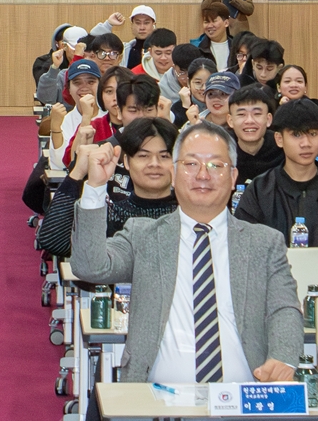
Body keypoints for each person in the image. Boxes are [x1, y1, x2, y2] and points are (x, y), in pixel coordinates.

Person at [69, 119, 301, 385]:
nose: (203, 175)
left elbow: (284, 308)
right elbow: (89, 266)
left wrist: (283, 358)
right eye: (191, 164)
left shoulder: (265, 243)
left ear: (233, 177)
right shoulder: (143, 236)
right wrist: (95, 187)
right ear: (174, 172)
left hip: (242, 396)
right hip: (154, 399)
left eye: (216, 165)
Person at [234, 99, 318, 248]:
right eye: (296, 135)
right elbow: (244, 246)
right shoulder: (260, 189)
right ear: (279, 139)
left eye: (313, 134)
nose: (306, 143)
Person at [35, 117, 178, 258]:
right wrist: (78, 172)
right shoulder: (110, 214)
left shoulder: (186, 215)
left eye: (164, 156)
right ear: (126, 162)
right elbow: (54, 242)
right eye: (143, 156)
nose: (154, 163)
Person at [226, 83, 281, 185]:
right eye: (241, 114)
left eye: (257, 114)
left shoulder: (282, 150)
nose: (249, 121)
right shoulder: (222, 150)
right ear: (230, 120)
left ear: (268, 119)